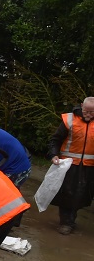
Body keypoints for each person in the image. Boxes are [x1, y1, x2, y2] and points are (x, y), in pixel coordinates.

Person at [47, 97, 94, 235]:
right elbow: (55, 140)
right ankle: (66, 222)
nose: (89, 114)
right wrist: (53, 154)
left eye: (92, 112)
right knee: (67, 194)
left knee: (83, 195)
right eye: (86, 111)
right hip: (69, 164)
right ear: (81, 106)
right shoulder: (69, 120)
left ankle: (71, 219)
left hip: (89, 167)